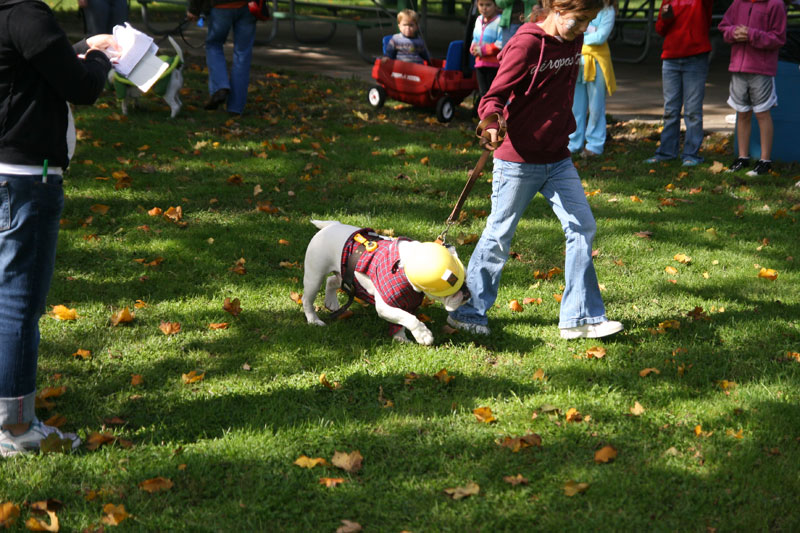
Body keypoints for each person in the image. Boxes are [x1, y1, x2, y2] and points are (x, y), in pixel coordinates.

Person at [447, 0, 624, 340]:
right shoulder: (526, 44)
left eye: (589, 21)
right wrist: (492, 122)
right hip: (518, 160)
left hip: (558, 158)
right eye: (580, 19)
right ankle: (469, 312)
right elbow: (493, 96)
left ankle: (579, 318)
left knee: (582, 227)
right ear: (558, 8)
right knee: (499, 235)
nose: (584, 28)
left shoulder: (573, 40)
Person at [0, 0, 115, 456]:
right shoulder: (27, 12)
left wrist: (80, 47)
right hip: (25, 179)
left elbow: (32, 62)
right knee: (17, 306)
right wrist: (105, 56)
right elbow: (81, 87)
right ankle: (16, 429)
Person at [718, 0, 787, 176]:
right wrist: (733, 33)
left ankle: (765, 161)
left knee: (762, 114)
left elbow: (779, 38)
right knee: (742, 113)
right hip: (738, 68)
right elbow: (724, 27)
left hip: (762, 69)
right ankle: (742, 158)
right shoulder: (737, 3)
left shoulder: (775, 4)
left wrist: (752, 34)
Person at [644, 0, 713, 166]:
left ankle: (691, 155)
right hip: (671, 59)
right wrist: (666, 18)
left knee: (693, 111)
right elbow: (660, 29)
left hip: (695, 58)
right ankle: (666, 153)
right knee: (670, 110)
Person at [187, 0, 256, 115]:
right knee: (243, 54)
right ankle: (236, 107)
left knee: (213, 45)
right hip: (248, 6)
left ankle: (220, 86)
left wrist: (194, 10)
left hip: (220, 6)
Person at [568, 0, 616, 157]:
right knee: (576, 106)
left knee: (596, 107)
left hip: (597, 62)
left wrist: (578, 39)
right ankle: (573, 143)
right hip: (578, 61)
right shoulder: (582, 8)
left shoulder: (608, 11)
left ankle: (595, 145)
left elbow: (600, 37)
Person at [470, 0, 504, 107]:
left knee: (491, 93)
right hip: (480, 63)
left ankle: (493, 115)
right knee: (483, 93)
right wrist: (473, 47)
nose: (484, 8)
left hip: (494, 65)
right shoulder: (478, 20)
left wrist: (483, 50)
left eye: (488, 5)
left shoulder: (500, 21)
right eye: (481, 5)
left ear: (495, 5)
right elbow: (475, 37)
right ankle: (484, 117)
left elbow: (500, 43)